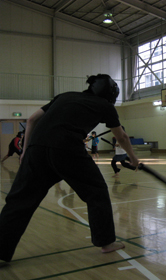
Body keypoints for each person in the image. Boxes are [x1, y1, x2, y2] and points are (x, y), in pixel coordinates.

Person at [0, 74, 139, 262]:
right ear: (111, 93)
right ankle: (106, 242)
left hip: (36, 150)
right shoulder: (105, 105)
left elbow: (32, 119)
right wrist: (133, 158)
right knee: (96, 192)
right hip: (67, 149)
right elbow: (121, 137)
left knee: (19, 201)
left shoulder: (64, 96)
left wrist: (25, 152)